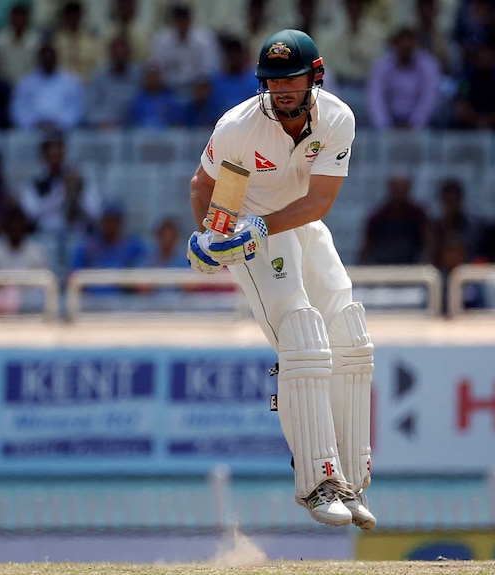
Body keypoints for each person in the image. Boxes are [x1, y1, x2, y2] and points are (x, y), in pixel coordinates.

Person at [185, 29, 376, 530]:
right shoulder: (238, 128)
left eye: (291, 79)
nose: (282, 90)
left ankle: (351, 482)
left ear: (315, 76)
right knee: (302, 337)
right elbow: (204, 187)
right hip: (250, 234)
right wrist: (209, 239)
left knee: (350, 337)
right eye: (273, 82)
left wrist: (265, 224)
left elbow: (319, 202)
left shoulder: (337, 118)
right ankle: (317, 483)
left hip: (294, 222)